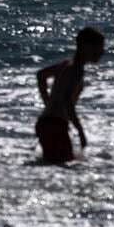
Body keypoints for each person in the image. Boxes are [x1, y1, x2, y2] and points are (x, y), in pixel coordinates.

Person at [35, 26, 105, 164]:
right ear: (86, 47)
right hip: (55, 126)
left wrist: (48, 104)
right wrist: (80, 131)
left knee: (55, 168)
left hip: (46, 123)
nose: (102, 52)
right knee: (63, 168)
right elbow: (67, 101)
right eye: (98, 47)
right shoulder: (76, 70)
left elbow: (41, 75)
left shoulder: (66, 64)